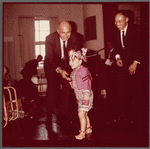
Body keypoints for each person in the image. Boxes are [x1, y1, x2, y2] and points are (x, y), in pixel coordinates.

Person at [44, 21, 83, 124]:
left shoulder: (76, 38)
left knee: (66, 86)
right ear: (58, 31)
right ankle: (49, 112)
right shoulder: (50, 39)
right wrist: (59, 70)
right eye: (63, 33)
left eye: (68, 32)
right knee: (52, 87)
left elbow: (76, 54)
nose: (66, 36)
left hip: (66, 63)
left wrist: (79, 58)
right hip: (51, 64)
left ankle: (63, 114)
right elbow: (50, 58)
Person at [112, 10, 141, 124]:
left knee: (136, 92)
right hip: (122, 66)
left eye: (120, 21)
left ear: (127, 20)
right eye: (115, 21)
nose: (117, 23)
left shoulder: (137, 30)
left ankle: (138, 117)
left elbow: (141, 48)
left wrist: (135, 63)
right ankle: (124, 116)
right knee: (123, 92)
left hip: (137, 65)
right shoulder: (116, 32)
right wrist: (118, 58)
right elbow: (117, 49)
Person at [69, 48, 93, 140]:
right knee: (85, 113)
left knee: (81, 114)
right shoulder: (74, 71)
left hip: (85, 94)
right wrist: (70, 82)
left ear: (80, 60)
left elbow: (87, 82)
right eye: (70, 60)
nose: (71, 63)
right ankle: (88, 127)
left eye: (73, 60)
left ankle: (82, 133)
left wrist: (87, 93)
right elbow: (74, 84)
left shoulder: (83, 70)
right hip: (79, 95)